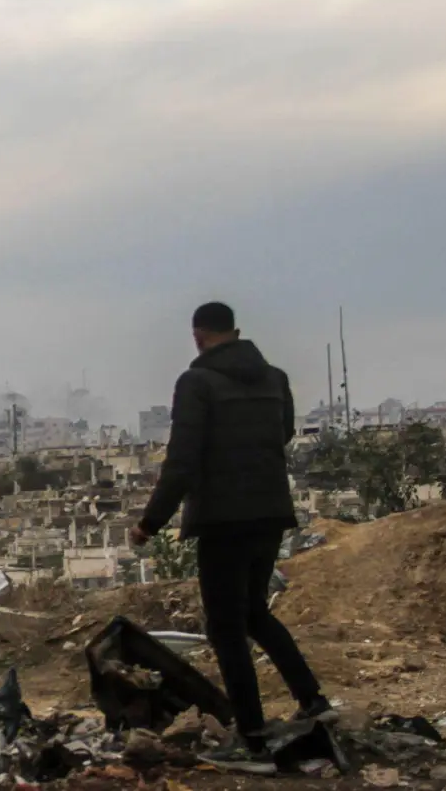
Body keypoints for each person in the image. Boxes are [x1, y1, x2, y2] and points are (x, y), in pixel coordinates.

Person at [129, 302, 336, 775]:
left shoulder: (196, 383)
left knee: (226, 629)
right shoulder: (275, 378)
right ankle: (312, 700)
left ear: (198, 336)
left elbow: (181, 462)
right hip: (269, 511)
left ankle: (253, 740)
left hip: (222, 519)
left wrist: (149, 524)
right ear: (236, 332)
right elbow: (281, 434)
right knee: (254, 614)